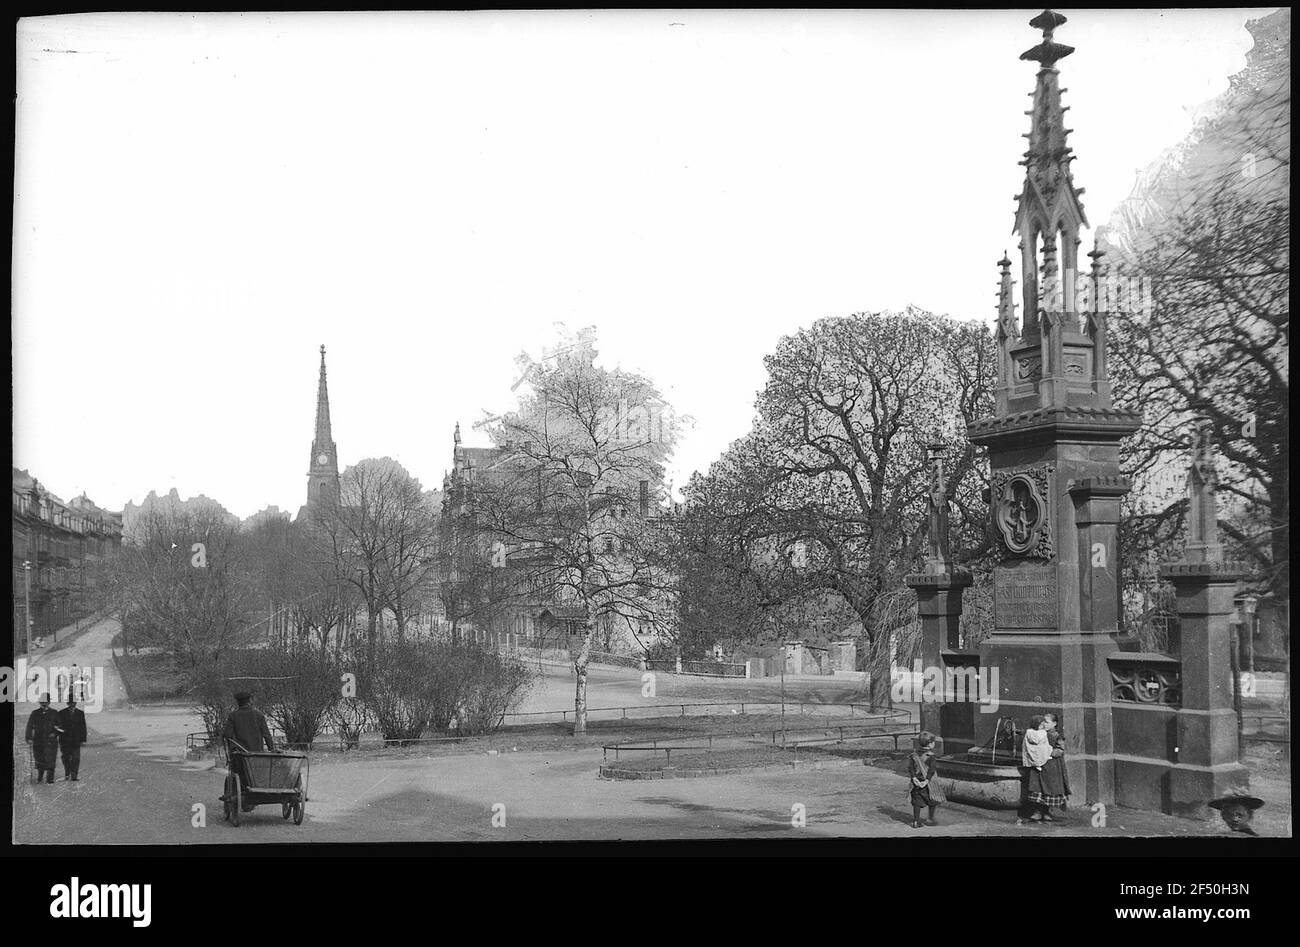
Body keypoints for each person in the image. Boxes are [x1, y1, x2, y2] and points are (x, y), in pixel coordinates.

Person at [222, 691, 275, 805]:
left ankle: (241, 792)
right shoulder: (259, 715)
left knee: (239, 773)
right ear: (250, 701)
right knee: (257, 773)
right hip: (257, 755)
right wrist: (272, 749)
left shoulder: (233, 716)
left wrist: (233, 747)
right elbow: (266, 734)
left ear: (238, 703)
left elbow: (227, 735)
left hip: (240, 755)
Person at [907, 731, 945, 828]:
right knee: (933, 799)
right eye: (933, 742)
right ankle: (930, 819)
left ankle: (916, 821)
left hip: (916, 782)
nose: (934, 744)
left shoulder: (913, 755)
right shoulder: (931, 756)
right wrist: (926, 781)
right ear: (930, 744)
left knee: (916, 802)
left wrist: (914, 778)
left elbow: (910, 768)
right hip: (928, 783)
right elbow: (932, 770)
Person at [25, 693, 61, 784]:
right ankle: (40, 777)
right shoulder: (35, 713)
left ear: (49, 702)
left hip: (50, 741)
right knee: (39, 759)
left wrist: (55, 733)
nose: (44, 704)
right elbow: (29, 726)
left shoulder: (54, 713)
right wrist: (29, 738)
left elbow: (60, 726)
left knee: (51, 759)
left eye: (46, 702)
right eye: (42, 702)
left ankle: (50, 778)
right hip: (38, 740)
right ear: (40, 703)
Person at [57, 697, 88, 781]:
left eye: (73, 702)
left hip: (76, 740)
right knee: (66, 758)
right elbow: (58, 727)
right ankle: (67, 773)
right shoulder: (61, 713)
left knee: (76, 758)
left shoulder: (80, 713)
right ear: (67, 703)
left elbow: (83, 727)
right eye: (70, 703)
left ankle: (74, 775)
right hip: (64, 740)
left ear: (76, 703)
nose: (72, 704)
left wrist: (83, 740)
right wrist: (60, 733)